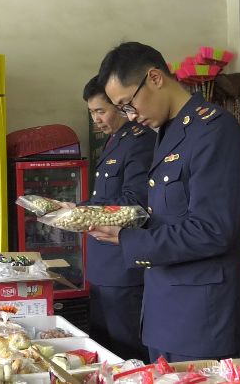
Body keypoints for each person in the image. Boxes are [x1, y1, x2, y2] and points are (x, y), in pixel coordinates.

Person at [90, 42, 240, 362]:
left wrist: (129, 238)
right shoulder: (169, 132)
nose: (131, 116)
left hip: (201, 317)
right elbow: (166, 215)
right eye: (123, 109)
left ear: (154, 78)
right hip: (164, 309)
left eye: (128, 104)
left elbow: (212, 229)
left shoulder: (212, 131)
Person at [80, 75, 155, 361]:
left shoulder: (140, 141)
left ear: (122, 106)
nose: (96, 119)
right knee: (103, 350)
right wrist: (72, 207)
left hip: (122, 267)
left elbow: (134, 204)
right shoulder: (114, 142)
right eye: (92, 112)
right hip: (102, 267)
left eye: (101, 111)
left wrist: (82, 213)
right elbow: (103, 200)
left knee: (126, 352)